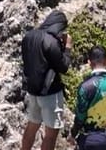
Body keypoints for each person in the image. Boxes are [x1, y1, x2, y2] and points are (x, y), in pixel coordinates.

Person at [20, 10, 72, 150]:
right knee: (51, 133)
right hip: (50, 93)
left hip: (33, 91)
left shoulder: (29, 36)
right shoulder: (51, 41)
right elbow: (64, 67)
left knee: (32, 126)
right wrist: (67, 49)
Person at [68, 46, 106, 150]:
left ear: (89, 62)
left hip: (90, 139)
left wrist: (73, 134)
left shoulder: (86, 86)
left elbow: (80, 117)